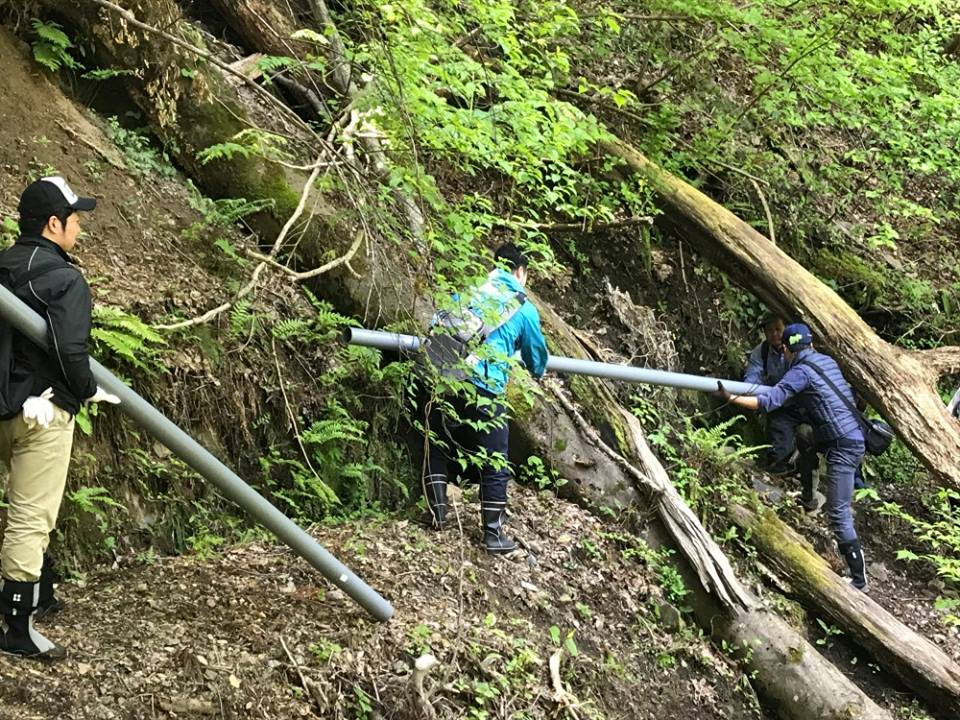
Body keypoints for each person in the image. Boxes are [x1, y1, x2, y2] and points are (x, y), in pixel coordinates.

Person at [0, 177, 120, 660]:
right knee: (31, 515)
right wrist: (90, 392)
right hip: (41, 412)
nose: (79, 227)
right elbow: (72, 352)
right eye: (75, 219)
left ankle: (41, 594)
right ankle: (17, 628)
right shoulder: (66, 280)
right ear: (54, 224)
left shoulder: (3, 267)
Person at [718, 323, 868, 590]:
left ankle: (858, 580)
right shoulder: (828, 361)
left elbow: (770, 401)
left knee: (838, 512)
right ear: (810, 344)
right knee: (807, 446)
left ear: (786, 350)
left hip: (842, 445)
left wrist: (732, 398)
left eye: (784, 350)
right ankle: (808, 495)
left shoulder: (800, 372)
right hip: (849, 438)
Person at [420, 243, 548, 553]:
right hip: (485, 386)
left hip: (445, 377)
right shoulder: (522, 305)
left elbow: (438, 322)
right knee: (494, 460)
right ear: (520, 272)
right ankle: (492, 535)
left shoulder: (472, 290)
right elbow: (536, 359)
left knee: (438, 446)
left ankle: (437, 515)